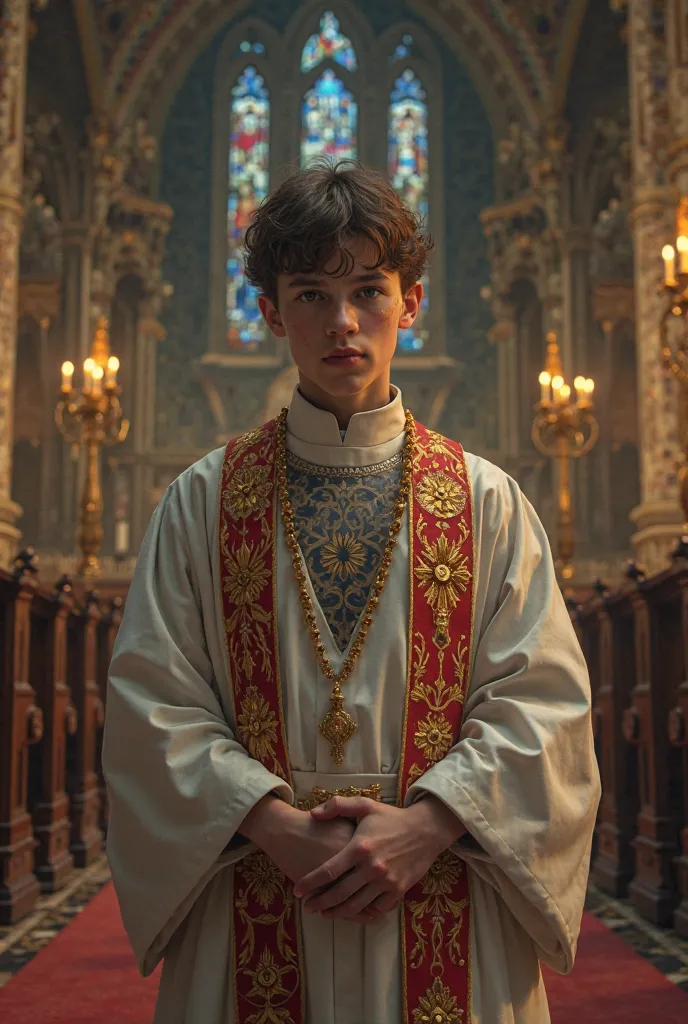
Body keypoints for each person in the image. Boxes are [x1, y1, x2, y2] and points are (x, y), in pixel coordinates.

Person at [103, 159, 600, 1024]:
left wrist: (431, 823)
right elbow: (154, 703)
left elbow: (544, 705)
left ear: (412, 302)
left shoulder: (485, 502)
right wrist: (272, 824)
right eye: (309, 294)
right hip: (258, 880)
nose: (342, 322)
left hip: (443, 879)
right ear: (268, 311)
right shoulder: (205, 501)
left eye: (370, 290)